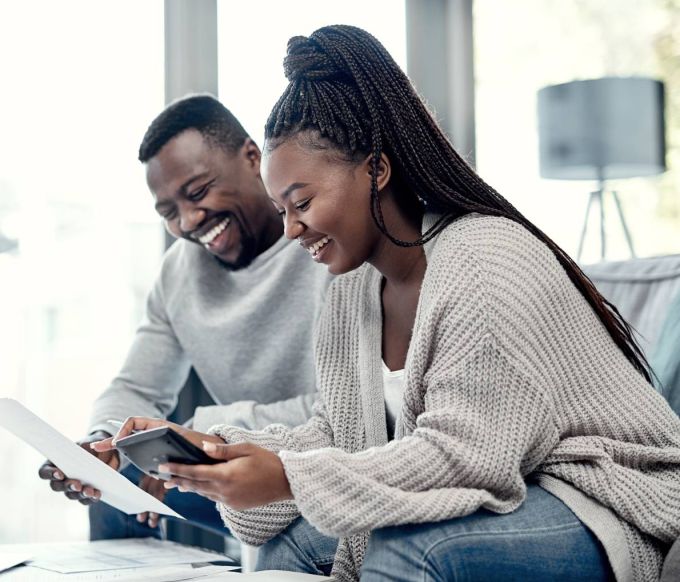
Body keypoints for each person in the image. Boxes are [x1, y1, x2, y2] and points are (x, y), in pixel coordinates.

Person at [94, 26, 680, 582]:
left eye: (302, 202)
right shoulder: (352, 291)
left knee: (404, 547)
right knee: (289, 540)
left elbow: (466, 458)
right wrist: (221, 450)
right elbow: (339, 432)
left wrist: (289, 478)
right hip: (510, 484)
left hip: (600, 496)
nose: (293, 232)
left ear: (376, 168)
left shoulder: (485, 259)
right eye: (281, 211)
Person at [38, 94, 331, 542]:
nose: (190, 220)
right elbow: (136, 387)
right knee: (114, 489)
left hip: (315, 467)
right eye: (168, 213)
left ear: (252, 158)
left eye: (197, 192)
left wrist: (200, 434)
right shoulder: (179, 272)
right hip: (225, 460)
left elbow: (344, 413)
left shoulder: (325, 243)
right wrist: (102, 446)